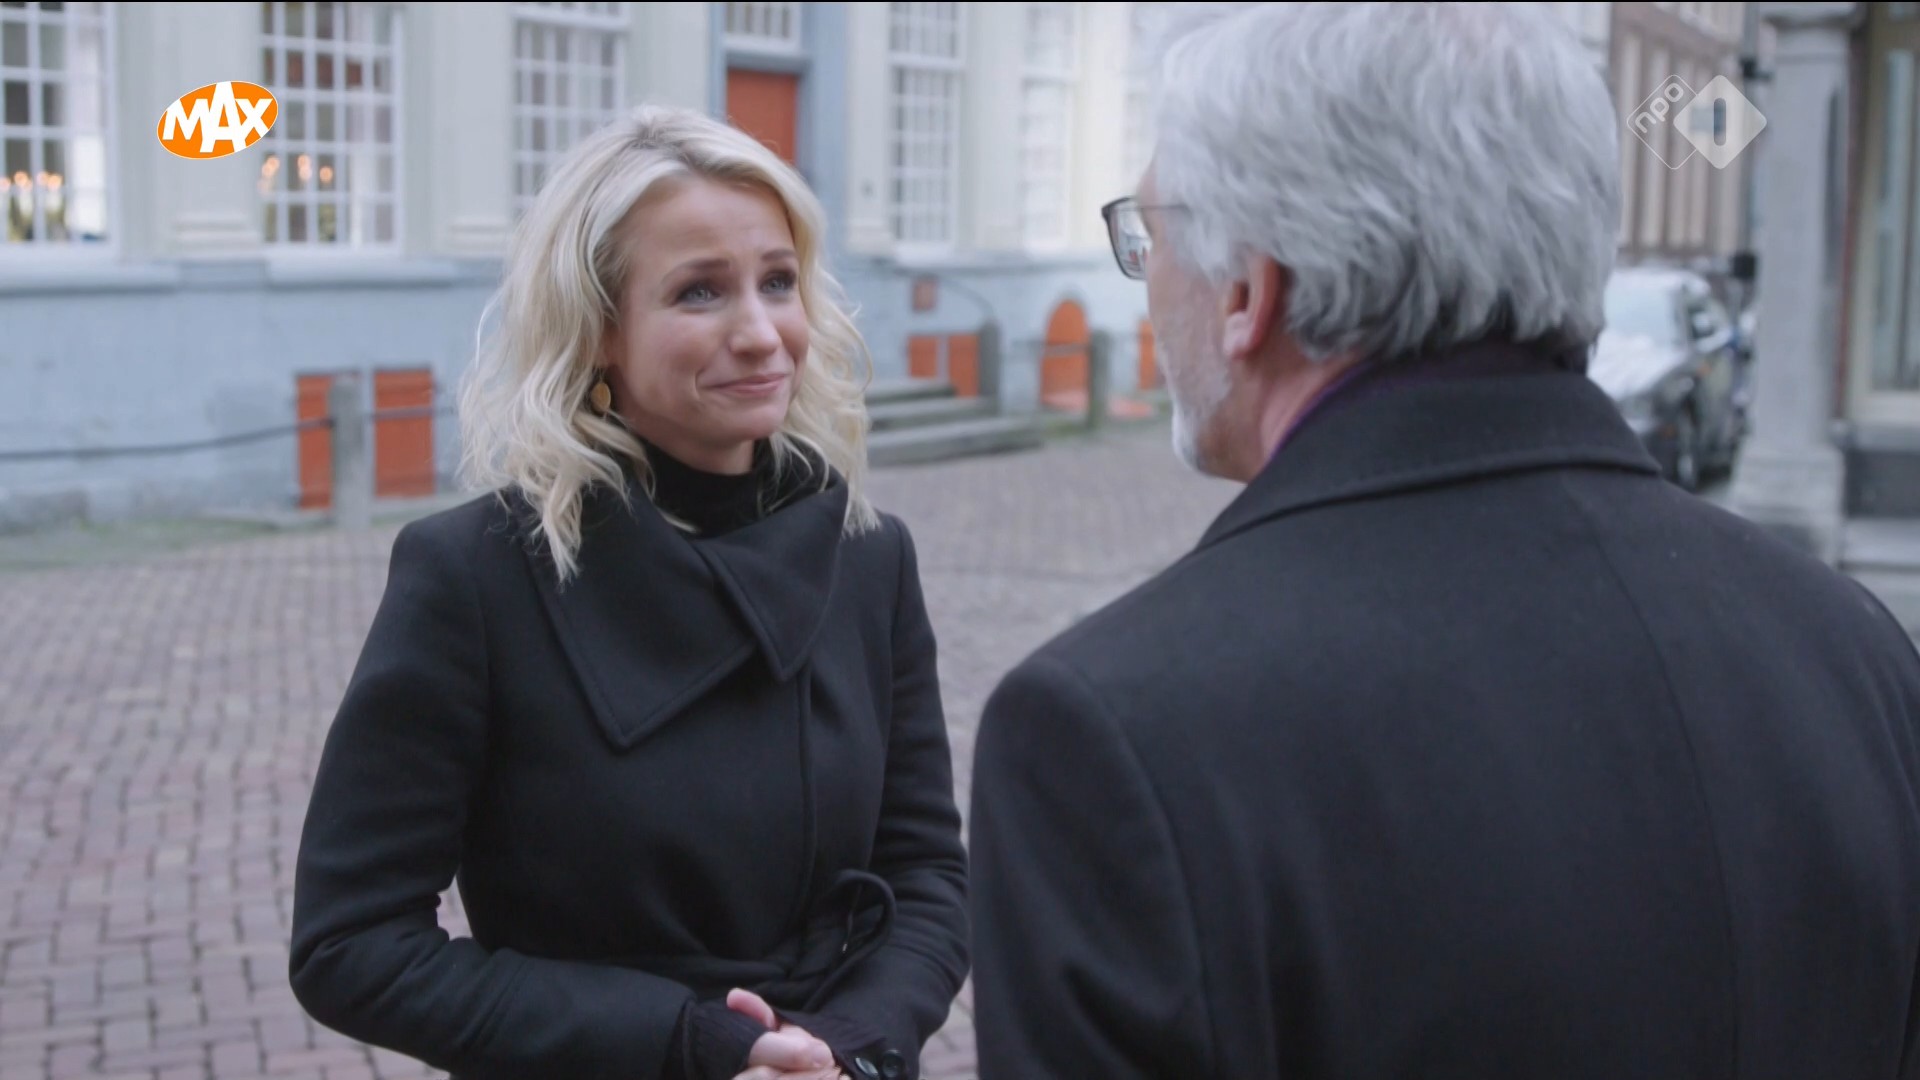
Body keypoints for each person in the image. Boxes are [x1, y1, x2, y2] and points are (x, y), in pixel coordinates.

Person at [967, 3, 1920, 1078]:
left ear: (1248, 289)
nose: (1147, 283)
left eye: (1149, 235)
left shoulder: (1113, 734)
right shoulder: (1855, 649)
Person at [289, 104, 968, 1080]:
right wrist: (685, 1042)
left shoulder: (868, 556)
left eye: (778, 281)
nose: (761, 333)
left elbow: (929, 875)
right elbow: (351, 944)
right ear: (600, 328)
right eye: (700, 292)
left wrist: (844, 1046)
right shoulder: (476, 576)